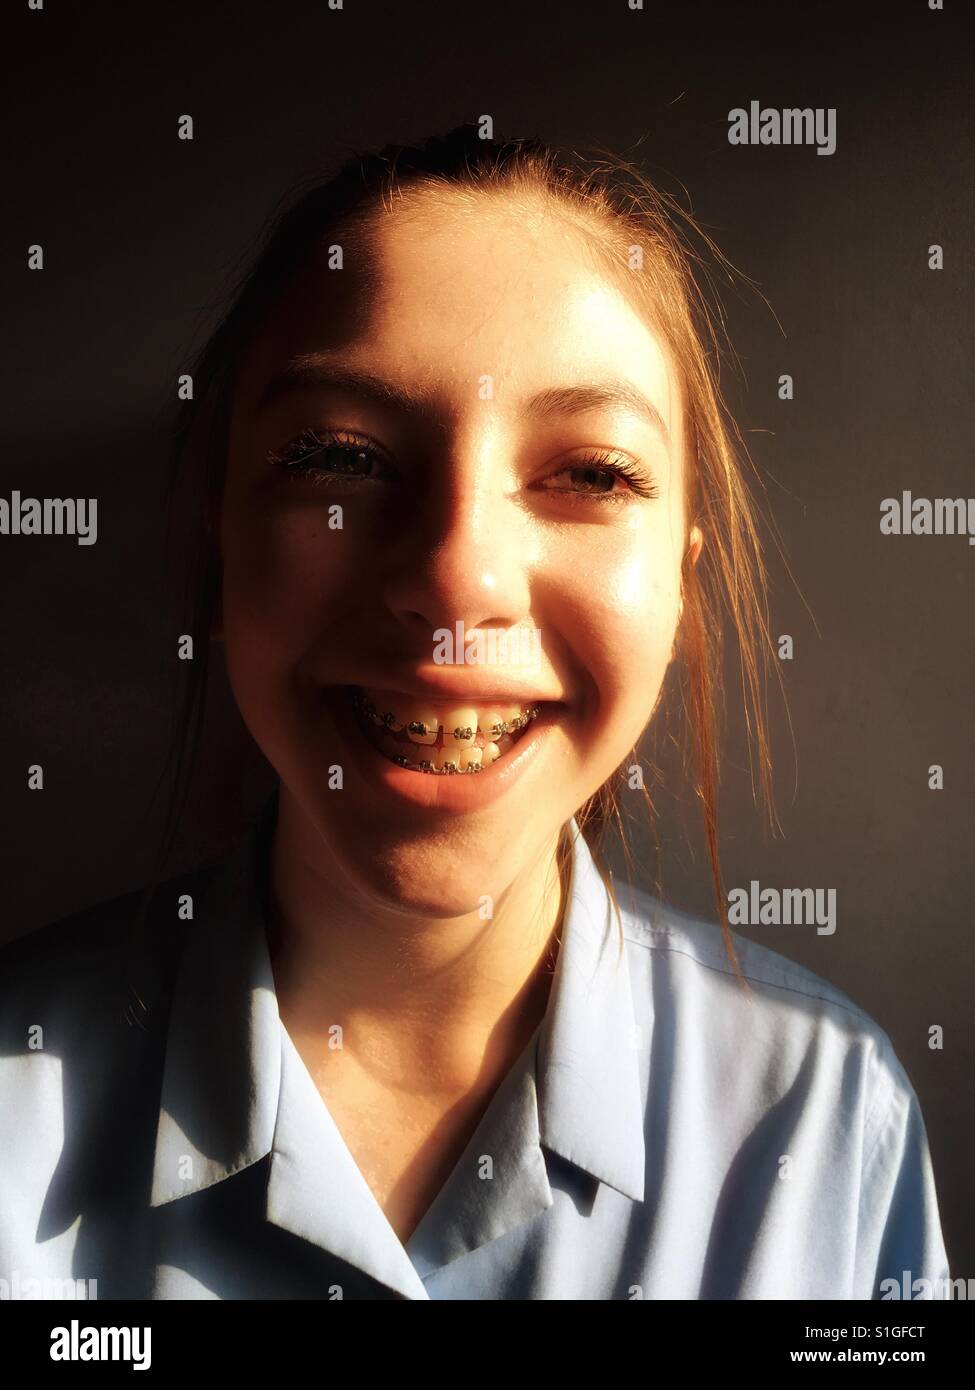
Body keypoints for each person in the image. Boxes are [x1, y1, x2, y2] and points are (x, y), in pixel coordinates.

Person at [0, 126, 949, 1300]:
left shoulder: (829, 1116)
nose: (458, 580)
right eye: (342, 454)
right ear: (220, 542)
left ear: (680, 582)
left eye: (591, 474)